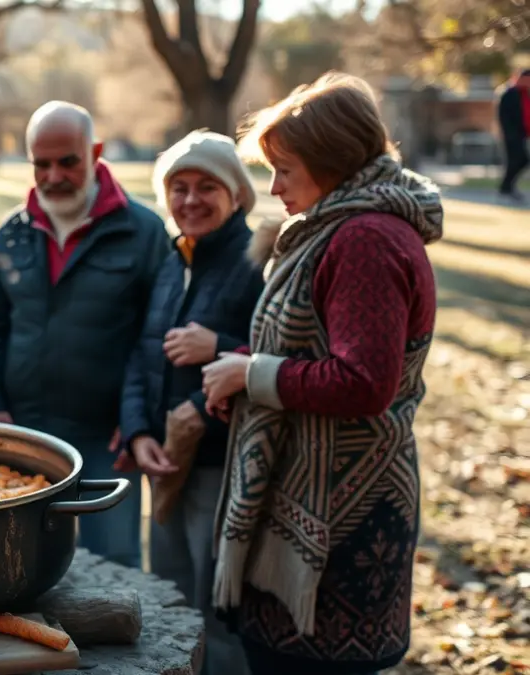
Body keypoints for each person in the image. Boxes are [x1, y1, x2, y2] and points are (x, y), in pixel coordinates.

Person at [201, 72, 442, 675]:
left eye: (285, 168)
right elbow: (310, 345)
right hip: (313, 505)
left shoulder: (366, 239)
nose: (274, 186)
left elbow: (364, 383)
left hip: (342, 522)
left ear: (332, 159)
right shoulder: (336, 226)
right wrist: (244, 373)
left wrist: (251, 376)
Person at [0, 101, 169, 569]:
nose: (53, 176)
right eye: (41, 164)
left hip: (107, 435)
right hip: (25, 432)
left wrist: (137, 417)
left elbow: (157, 336)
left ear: (95, 152)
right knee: (21, 562)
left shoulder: (143, 231)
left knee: (114, 564)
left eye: (67, 162)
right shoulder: (14, 232)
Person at [119, 131, 262, 675]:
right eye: (178, 187)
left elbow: (281, 357)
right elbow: (141, 353)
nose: (191, 199)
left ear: (236, 195)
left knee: (219, 609)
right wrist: (139, 432)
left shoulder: (257, 262)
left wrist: (219, 345)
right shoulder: (171, 260)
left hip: (221, 468)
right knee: (170, 601)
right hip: (165, 463)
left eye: (207, 186)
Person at [497, 69, 530, 202]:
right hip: (511, 135)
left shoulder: (524, 93)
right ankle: (506, 188)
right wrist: (509, 133)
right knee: (517, 160)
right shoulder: (509, 94)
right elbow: (504, 117)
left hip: (522, 134)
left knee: (521, 160)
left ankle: (507, 187)